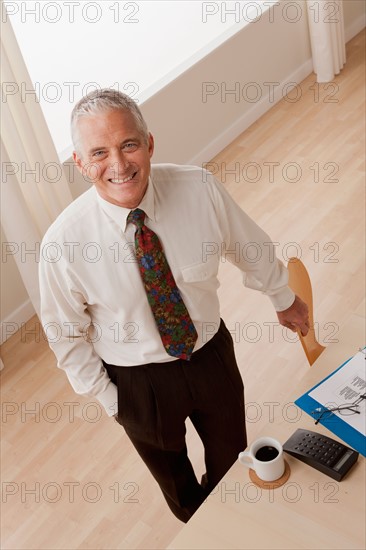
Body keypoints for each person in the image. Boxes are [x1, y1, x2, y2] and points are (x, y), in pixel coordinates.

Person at [39, 88, 309, 523]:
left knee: (232, 462)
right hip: (136, 382)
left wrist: (282, 296)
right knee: (177, 486)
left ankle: (236, 524)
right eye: (99, 152)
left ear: (149, 143)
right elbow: (65, 337)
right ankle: (201, 531)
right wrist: (113, 401)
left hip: (210, 354)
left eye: (128, 144)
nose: (119, 165)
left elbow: (249, 245)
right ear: (80, 163)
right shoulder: (62, 244)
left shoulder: (199, 187)